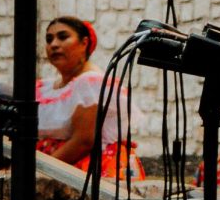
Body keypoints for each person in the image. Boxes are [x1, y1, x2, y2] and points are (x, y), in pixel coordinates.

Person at [35, 16, 144, 180]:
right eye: (49, 39)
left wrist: (37, 170)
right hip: (57, 165)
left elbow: (84, 141)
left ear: (84, 43)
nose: (54, 44)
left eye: (63, 37)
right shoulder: (46, 87)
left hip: (91, 167)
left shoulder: (90, 83)